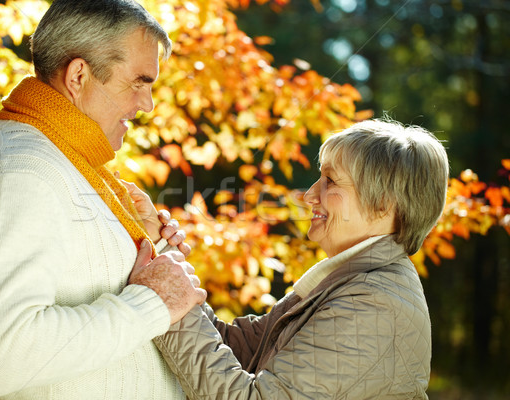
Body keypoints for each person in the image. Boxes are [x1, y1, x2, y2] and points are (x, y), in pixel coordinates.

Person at [0, 0, 206, 398]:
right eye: (138, 81)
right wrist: (154, 302)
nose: (147, 103)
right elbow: (5, 356)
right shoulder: (22, 174)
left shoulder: (66, 164)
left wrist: (142, 243)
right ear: (79, 76)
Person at [153, 118, 448, 399]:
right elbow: (236, 349)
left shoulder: (373, 304)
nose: (309, 195)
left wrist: (172, 298)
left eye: (330, 181)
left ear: (383, 203)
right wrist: (162, 250)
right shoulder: (348, 283)